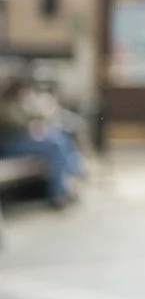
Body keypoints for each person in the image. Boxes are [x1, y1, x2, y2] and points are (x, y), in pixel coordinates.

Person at [0, 73, 84, 209]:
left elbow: (34, 116)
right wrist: (30, 125)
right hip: (9, 145)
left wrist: (40, 113)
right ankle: (59, 192)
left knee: (61, 137)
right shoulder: (4, 104)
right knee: (55, 145)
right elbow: (14, 124)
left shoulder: (21, 102)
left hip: (23, 140)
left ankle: (69, 179)